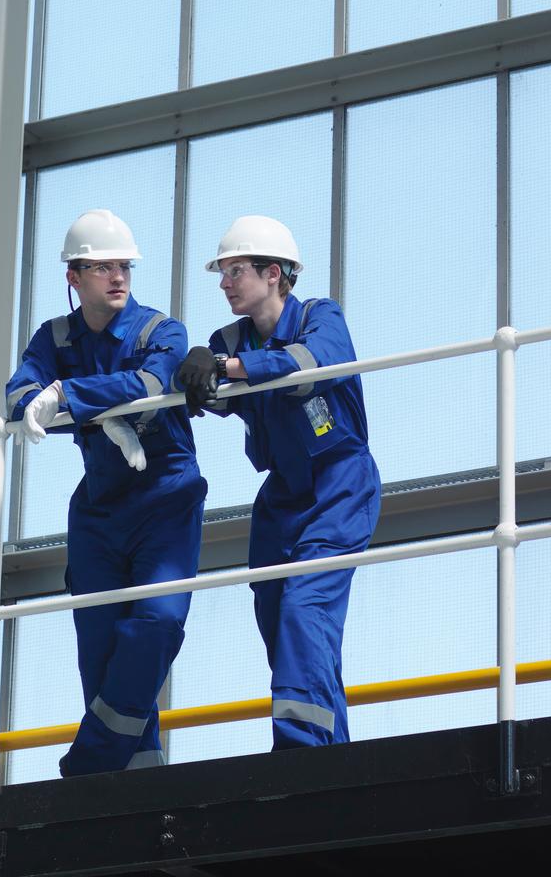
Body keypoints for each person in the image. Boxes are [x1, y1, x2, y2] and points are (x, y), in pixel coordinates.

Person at [5, 208, 204, 776]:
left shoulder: (160, 330)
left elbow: (152, 382)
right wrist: (80, 406)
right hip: (98, 508)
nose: (118, 277)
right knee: (100, 649)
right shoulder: (55, 337)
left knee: (158, 623)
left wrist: (70, 396)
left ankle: (93, 767)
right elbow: (18, 398)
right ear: (74, 277)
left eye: (125, 266)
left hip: (165, 495)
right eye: (102, 267)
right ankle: (140, 773)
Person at [176, 215, 380, 749]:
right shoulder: (228, 340)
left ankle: (301, 751)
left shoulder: (319, 316)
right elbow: (218, 398)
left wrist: (227, 367)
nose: (224, 283)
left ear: (273, 274)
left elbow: (313, 362)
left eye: (235, 271)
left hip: (339, 487)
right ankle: (330, 751)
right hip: (281, 498)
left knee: (303, 608)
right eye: (222, 273)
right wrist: (193, 371)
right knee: (277, 614)